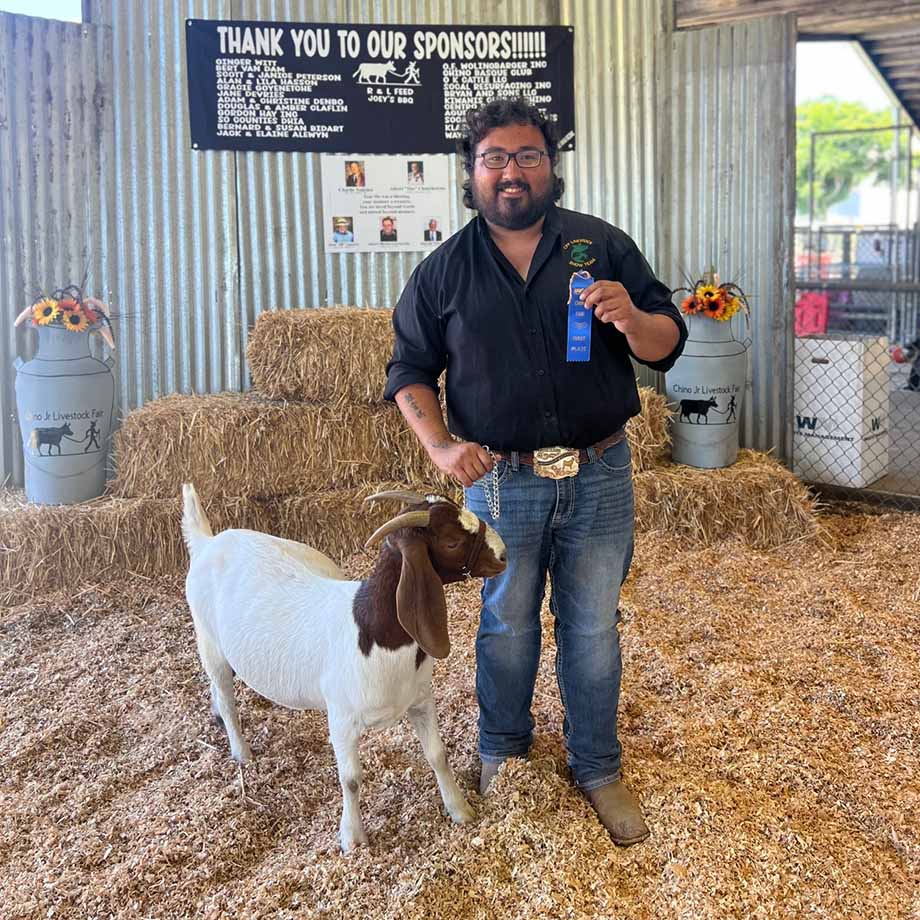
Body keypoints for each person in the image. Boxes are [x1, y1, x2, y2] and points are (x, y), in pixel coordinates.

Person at [384, 97, 687, 847]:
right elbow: (410, 371)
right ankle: (504, 758)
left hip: (600, 474)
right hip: (501, 484)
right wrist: (442, 448)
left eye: (527, 156)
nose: (511, 172)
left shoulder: (602, 247)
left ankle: (597, 768)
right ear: (471, 173)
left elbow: (665, 343)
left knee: (593, 629)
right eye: (495, 159)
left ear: (550, 167)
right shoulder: (442, 272)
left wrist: (632, 318)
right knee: (507, 626)